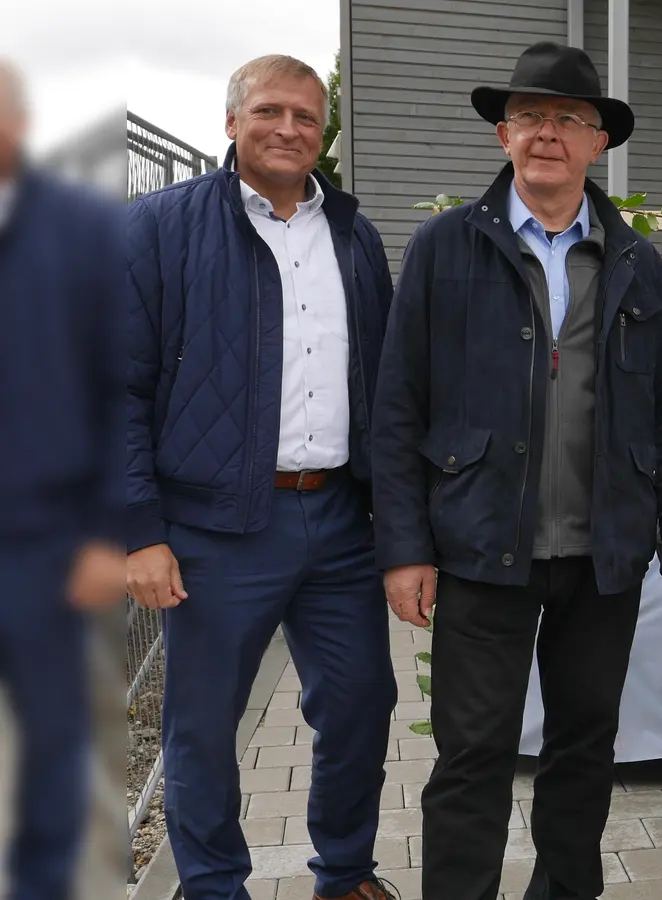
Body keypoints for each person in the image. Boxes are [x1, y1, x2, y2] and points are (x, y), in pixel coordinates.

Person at [371, 42, 662, 900]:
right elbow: (397, 407)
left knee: (583, 749)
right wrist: (405, 548)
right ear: (503, 134)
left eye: (569, 118)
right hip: (481, 545)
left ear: (599, 141)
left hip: (604, 557)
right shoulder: (445, 247)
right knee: (473, 754)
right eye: (530, 116)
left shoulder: (637, 262)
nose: (548, 133)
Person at [126, 55, 399, 900]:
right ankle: (212, 886)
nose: (288, 129)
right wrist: (138, 532)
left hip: (340, 521)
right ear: (232, 122)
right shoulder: (159, 228)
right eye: (269, 112)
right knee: (204, 726)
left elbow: (384, 386)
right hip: (215, 530)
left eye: (306, 117)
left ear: (325, 133)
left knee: (361, 704)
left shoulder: (352, 235)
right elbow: (114, 388)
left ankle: (344, 874)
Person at [0, 59, 125, 900]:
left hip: (43, 543)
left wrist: (107, 533)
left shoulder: (80, 230)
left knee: (53, 739)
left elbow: (121, 388)